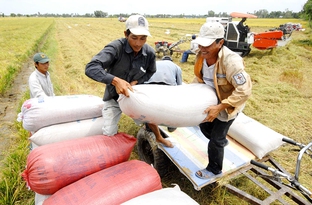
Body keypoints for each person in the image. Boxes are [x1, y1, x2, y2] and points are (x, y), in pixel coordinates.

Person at [85, 14, 173, 148]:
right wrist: (115, 81)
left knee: (150, 116)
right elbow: (91, 67)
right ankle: (111, 149)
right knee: (109, 131)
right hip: (114, 96)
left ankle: (159, 138)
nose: (138, 43)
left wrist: (137, 81)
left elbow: (150, 71)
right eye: (134, 38)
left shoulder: (149, 53)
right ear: (126, 34)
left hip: (134, 95)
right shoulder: (116, 48)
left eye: (143, 38)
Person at [192, 22, 252, 179]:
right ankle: (220, 142)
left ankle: (214, 169)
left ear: (220, 43)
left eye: (208, 45)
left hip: (228, 103)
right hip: (210, 99)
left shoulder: (231, 61)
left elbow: (244, 90)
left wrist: (219, 107)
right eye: (201, 44)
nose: (203, 48)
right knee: (204, 127)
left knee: (216, 139)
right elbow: (199, 78)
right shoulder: (201, 56)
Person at [145, 55, 183, 132]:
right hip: (168, 85)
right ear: (171, 61)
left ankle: (149, 127)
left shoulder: (156, 63)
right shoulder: (176, 66)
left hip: (150, 84)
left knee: (150, 106)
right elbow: (179, 85)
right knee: (171, 106)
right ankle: (171, 126)